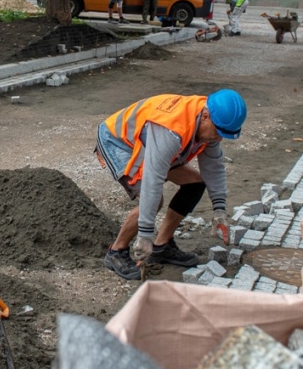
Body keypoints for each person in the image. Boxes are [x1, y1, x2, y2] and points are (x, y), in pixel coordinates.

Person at [95, 90, 247, 281]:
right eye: (218, 133)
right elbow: (153, 179)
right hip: (119, 142)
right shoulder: (172, 129)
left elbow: (214, 167)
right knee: (153, 200)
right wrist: (145, 234)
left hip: (150, 143)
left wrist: (219, 209)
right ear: (206, 116)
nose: (219, 139)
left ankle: (162, 246)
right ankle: (116, 252)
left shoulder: (210, 123)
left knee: (195, 183)